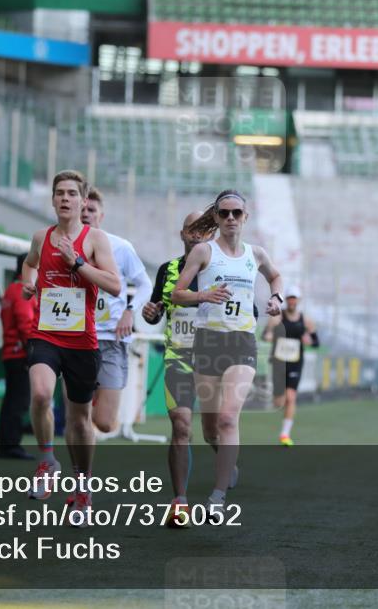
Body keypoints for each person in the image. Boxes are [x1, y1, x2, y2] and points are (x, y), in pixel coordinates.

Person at [172, 189, 283, 513]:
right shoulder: (204, 252)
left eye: (237, 213)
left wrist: (275, 298)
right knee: (209, 431)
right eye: (224, 213)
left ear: (245, 217)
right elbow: (178, 295)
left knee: (227, 418)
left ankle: (218, 497)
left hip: (241, 342)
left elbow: (275, 277)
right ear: (217, 218)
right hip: (208, 342)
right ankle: (227, 462)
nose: (231, 218)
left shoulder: (256, 254)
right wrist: (203, 296)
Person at [20, 170, 120, 521]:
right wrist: (28, 284)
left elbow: (115, 285)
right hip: (45, 334)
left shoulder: (95, 240)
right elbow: (28, 264)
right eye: (59, 193)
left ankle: (82, 487)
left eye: (72, 194)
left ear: (82, 201)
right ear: (52, 200)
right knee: (41, 395)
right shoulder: (40, 237)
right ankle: (47, 460)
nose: (65, 198)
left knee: (80, 422)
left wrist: (76, 262)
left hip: (82, 341)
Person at [142, 211, 215, 527]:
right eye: (191, 229)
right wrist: (150, 313)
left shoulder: (221, 270)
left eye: (203, 229)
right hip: (179, 359)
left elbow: (247, 311)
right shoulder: (168, 270)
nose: (197, 234)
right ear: (182, 233)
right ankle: (180, 502)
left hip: (215, 361)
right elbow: (156, 311)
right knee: (182, 425)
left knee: (215, 430)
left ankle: (228, 462)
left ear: (210, 235)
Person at [81, 187, 153, 434]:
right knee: (77, 417)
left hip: (111, 338)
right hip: (76, 340)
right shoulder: (64, 247)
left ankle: (90, 407)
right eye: (82, 209)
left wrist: (129, 311)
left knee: (104, 422)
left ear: (101, 215)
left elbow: (145, 284)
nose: (86, 214)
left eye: (91, 210)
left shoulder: (120, 247)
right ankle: (82, 472)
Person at [263, 286, 319, 447]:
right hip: (279, 362)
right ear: (286, 300)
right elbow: (265, 334)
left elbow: (316, 342)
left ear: (299, 300)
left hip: (295, 362)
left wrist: (310, 341)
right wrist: (269, 335)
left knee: (291, 397)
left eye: (295, 298)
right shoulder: (277, 318)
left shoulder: (306, 320)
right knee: (278, 401)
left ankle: (285, 434)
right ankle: (280, 406)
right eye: (290, 298)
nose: (292, 301)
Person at [0, 253, 37, 460]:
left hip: (10, 351)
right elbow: (25, 323)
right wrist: (32, 352)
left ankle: (6, 444)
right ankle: (9, 445)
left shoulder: (11, 290)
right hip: (20, 353)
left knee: (12, 399)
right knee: (18, 401)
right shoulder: (23, 291)